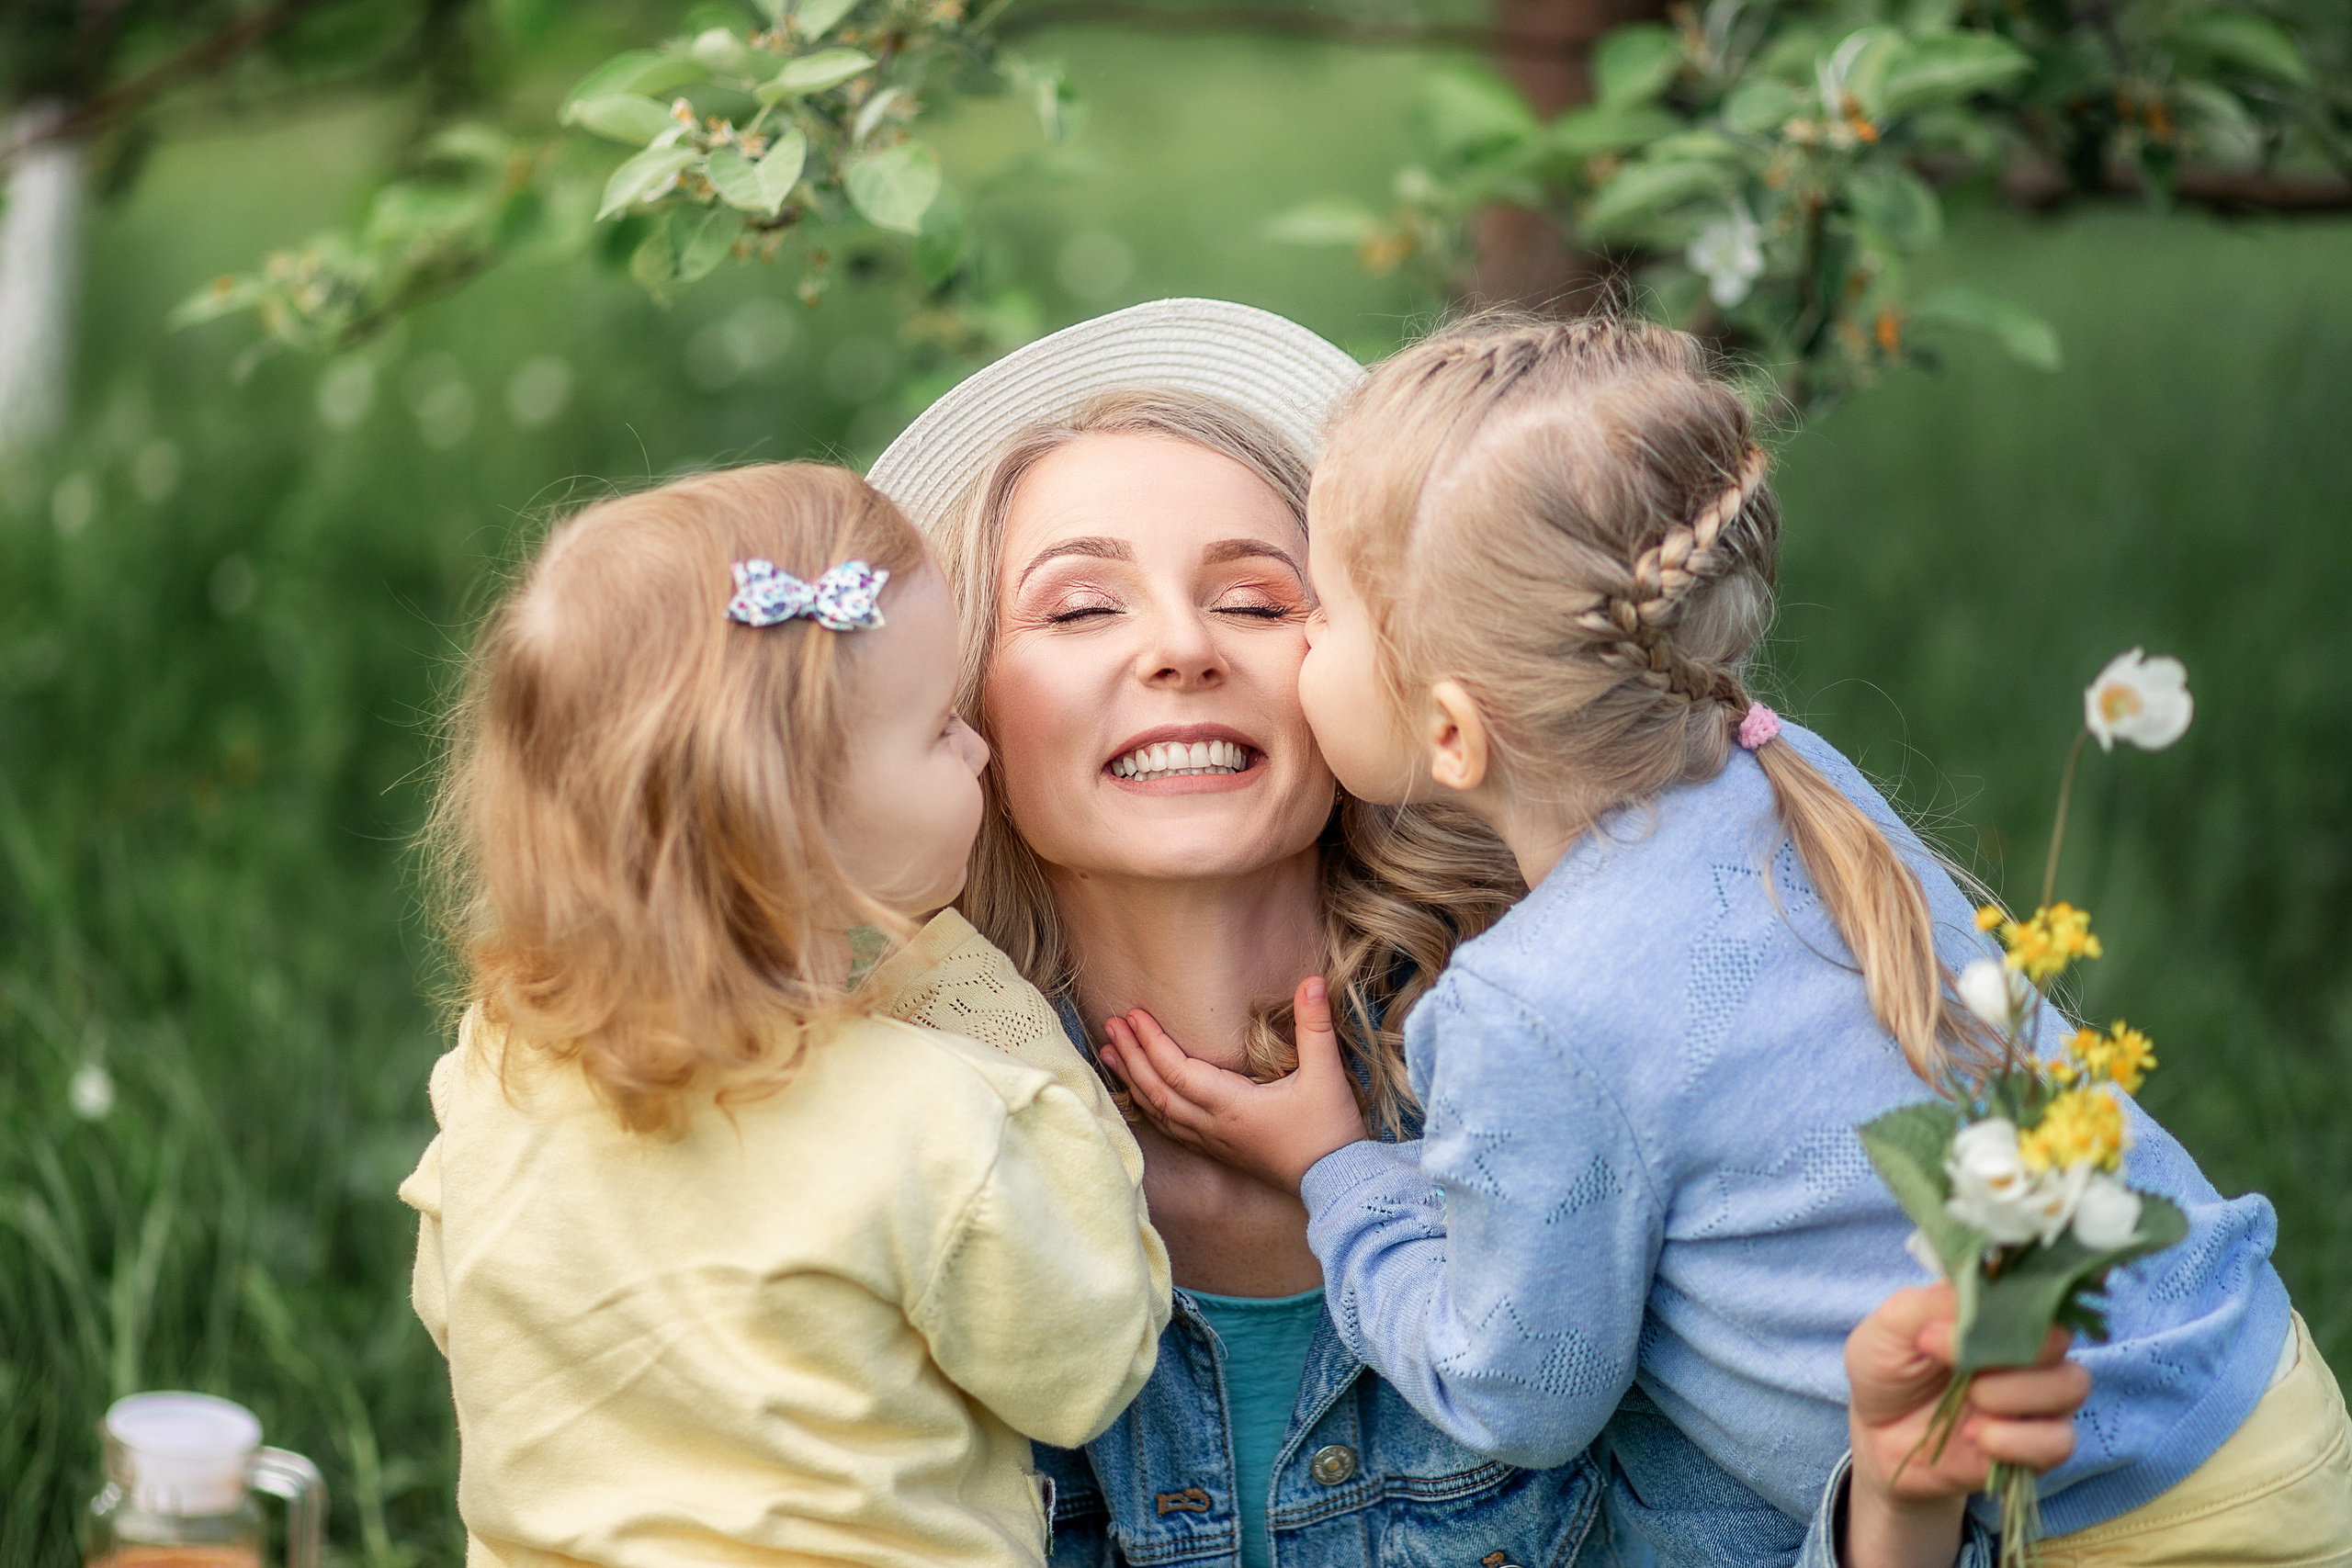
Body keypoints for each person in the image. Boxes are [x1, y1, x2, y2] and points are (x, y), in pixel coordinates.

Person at [1103, 312, 2352, 1566]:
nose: (1300, 639)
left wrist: (1341, 1175)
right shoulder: (1777, 762)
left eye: (1322, 611)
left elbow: (1517, 1393)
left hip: (2099, 1518)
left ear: (1450, 737)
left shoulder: (1530, 1005)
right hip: (2247, 1383)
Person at [866, 299, 2092, 1568]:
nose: (1181, 647)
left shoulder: (1571, 1053)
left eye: (1259, 600)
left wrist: (1894, 1512)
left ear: (1401, 672)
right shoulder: (921, 1151)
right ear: (959, 707)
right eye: (1080, 610)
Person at [397, 462, 1170, 1568]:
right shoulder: (933, 1118)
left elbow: (459, 1310)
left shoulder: (495, 1077)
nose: (978, 747)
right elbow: (1088, 1362)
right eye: (937, 728)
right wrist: (986, 1007)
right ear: (799, 817)